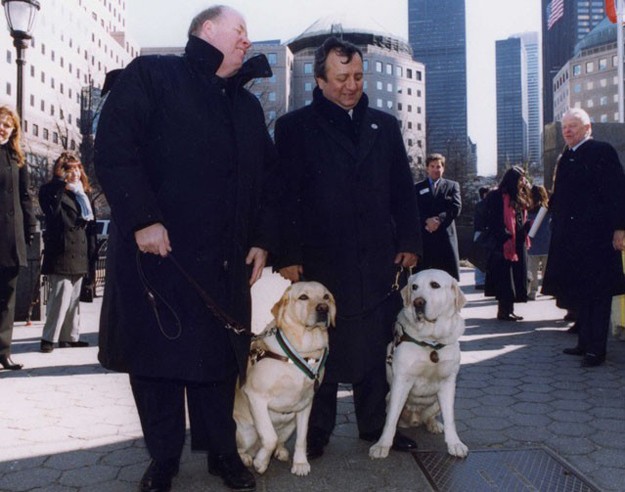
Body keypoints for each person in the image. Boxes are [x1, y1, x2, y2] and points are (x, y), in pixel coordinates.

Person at [94, 6, 281, 492]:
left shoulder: (247, 106)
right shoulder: (153, 75)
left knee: (218, 363)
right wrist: (143, 219)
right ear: (206, 30)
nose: (247, 40)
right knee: (156, 364)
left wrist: (262, 240)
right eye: (239, 31)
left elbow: (267, 182)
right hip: (159, 257)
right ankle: (163, 461)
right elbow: (114, 146)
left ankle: (223, 455)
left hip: (223, 263)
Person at [274, 36, 422, 459]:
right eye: (341, 78)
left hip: (378, 257)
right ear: (320, 80)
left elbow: (402, 191)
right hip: (322, 259)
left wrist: (410, 241)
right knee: (320, 342)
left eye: (357, 76)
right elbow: (284, 197)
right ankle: (315, 433)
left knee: (377, 342)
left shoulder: (385, 124)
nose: (351, 85)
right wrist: (288, 254)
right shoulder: (294, 128)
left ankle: (377, 426)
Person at [542, 108, 625, 367]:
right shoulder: (567, 156)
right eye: (565, 126)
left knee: (598, 294)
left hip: (598, 238)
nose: (567, 130)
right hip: (572, 240)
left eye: (573, 126)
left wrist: (620, 228)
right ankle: (584, 342)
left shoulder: (602, 151)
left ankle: (596, 350)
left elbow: (617, 192)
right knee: (581, 292)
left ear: (587, 128)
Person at [38, 152, 95, 353]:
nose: (76, 173)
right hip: (61, 251)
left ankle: (69, 337)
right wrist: (60, 184)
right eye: (70, 169)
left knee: (73, 300)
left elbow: (91, 227)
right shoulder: (50, 190)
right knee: (60, 296)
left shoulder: (84, 194)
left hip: (79, 250)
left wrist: (92, 254)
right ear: (61, 171)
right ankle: (48, 338)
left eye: (78, 168)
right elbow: (51, 213)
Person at [0, 106, 37, 371]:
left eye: (8, 124)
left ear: (13, 130)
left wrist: (30, 227)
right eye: (0, 122)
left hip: (11, 238)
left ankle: (4, 353)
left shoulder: (17, 158)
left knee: (7, 299)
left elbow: (26, 197)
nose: (3, 127)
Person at [483, 166, 532, 321]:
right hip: (503, 243)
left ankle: (509, 309)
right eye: (520, 178)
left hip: (517, 242)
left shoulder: (518, 195)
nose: (523, 181)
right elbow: (490, 218)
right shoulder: (496, 196)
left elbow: (521, 217)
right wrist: (503, 235)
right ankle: (503, 310)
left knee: (515, 277)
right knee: (505, 278)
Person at [414, 153, 462, 280]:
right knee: (424, 279)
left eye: (438, 166)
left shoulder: (452, 186)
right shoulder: (417, 187)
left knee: (447, 280)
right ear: (427, 168)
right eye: (432, 166)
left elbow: (455, 208)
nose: (436, 169)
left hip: (445, 237)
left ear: (443, 168)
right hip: (426, 238)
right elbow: (414, 209)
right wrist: (427, 220)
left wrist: (438, 220)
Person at [526, 185, 551, 300]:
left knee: (532, 270)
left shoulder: (529, 209)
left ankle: (533, 291)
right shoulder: (548, 208)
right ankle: (549, 290)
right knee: (547, 269)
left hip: (533, 243)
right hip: (547, 242)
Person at [473, 186, 490, 289]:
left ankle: (480, 281)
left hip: (478, 232)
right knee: (484, 257)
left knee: (479, 258)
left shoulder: (479, 205)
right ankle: (482, 280)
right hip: (484, 232)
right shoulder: (485, 205)